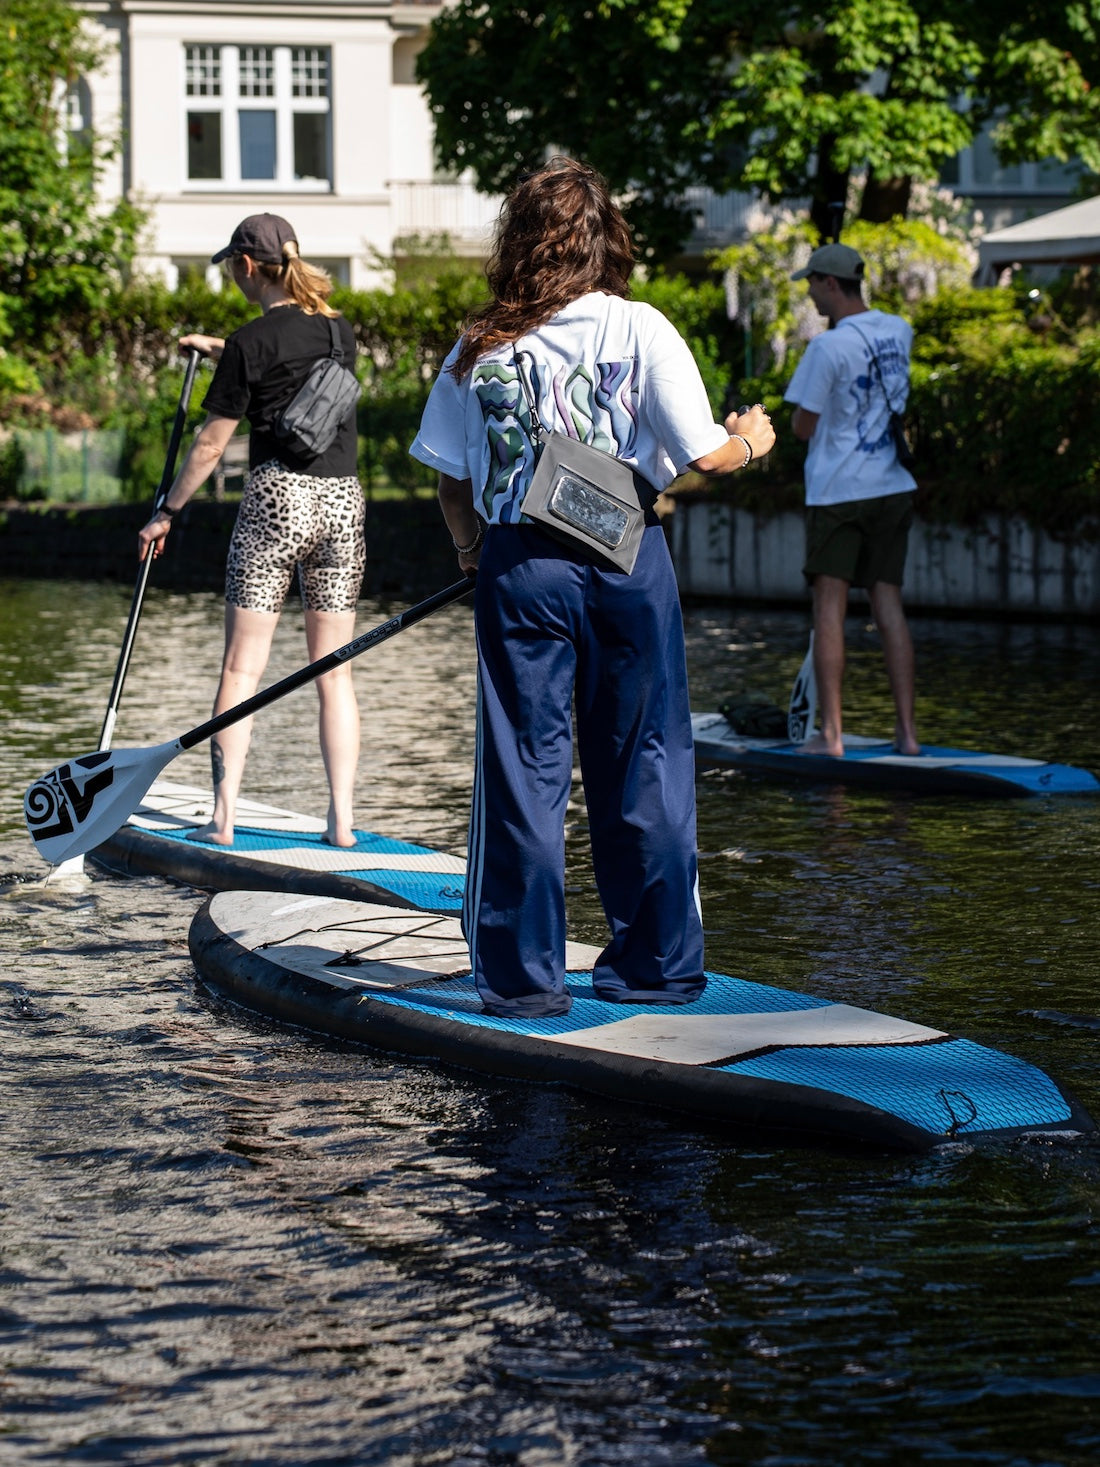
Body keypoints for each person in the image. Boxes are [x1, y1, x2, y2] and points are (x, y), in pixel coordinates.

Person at [409, 156, 776, 1019]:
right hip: (627, 562)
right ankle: (653, 969)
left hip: (518, 568)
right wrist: (754, 438)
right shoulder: (641, 327)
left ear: (519, 244)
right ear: (603, 238)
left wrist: (471, 553)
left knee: (524, 767)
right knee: (645, 757)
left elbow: (450, 483)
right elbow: (705, 456)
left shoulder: (479, 346)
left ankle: (521, 981)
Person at [138, 213, 365, 847]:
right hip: (343, 505)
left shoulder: (250, 344)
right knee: (335, 671)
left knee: (242, 669)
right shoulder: (338, 330)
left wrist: (168, 511)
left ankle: (223, 818)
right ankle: (342, 825)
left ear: (245, 266)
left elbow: (211, 448)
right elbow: (294, 370)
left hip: (276, 503)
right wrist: (221, 348)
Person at [784, 241, 920, 757]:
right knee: (889, 606)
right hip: (891, 487)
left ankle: (833, 735)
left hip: (838, 492)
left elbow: (802, 426)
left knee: (829, 609)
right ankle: (907, 736)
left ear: (831, 284)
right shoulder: (898, 330)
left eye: (813, 284)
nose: (811, 294)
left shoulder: (827, 348)